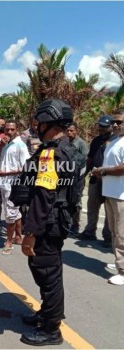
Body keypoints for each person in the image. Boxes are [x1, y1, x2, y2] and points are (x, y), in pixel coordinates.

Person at [20, 98, 77, 346]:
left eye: (39, 121)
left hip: (47, 224)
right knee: (49, 272)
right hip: (57, 222)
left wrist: (31, 232)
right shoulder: (66, 148)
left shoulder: (51, 154)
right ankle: (47, 313)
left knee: (47, 274)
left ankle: (52, 329)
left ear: (47, 121)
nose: (37, 126)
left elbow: (44, 197)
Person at [91, 109, 124, 285]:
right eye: (115, 122)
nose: (116, 125)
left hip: (121, 195)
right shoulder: (114, 141)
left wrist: (103, 171)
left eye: (120, 122)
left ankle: (123, 271)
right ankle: (120, 262)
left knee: (122, 233)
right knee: (114, 231)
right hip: (111, 192)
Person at [76, 115, 113, 246]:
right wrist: (83, 174)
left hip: (109, 180)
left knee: (109, 209)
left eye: (104, 126)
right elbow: (90, 158)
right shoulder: (96, 140)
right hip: (94, 179)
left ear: (111, 126)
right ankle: (90, 231)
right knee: (92, 206)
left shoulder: (115, 141)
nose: (101, 128)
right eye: (100, 126)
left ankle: (108, 236)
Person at [0, 120, 30, 254]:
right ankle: (18, 237)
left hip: (13, 185)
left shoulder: (20, 145)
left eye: (12, 129)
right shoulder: (6, 144)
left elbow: (25, 168)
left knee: (10, 214)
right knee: (15, 212)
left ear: (17, 130)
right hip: (4, 184)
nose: (9, 132)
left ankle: (8, 242)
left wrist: (5, 173)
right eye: (7, 129)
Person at [66, 122, 88, 235]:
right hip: (66, 177)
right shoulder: (64, 142)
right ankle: (67, 223)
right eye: (67, 131)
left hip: (77, 178)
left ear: (76, 131)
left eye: (71, 131)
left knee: (76, 202)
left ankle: (75, 226)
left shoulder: (81, 143)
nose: (69, 133)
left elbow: (85, 161)